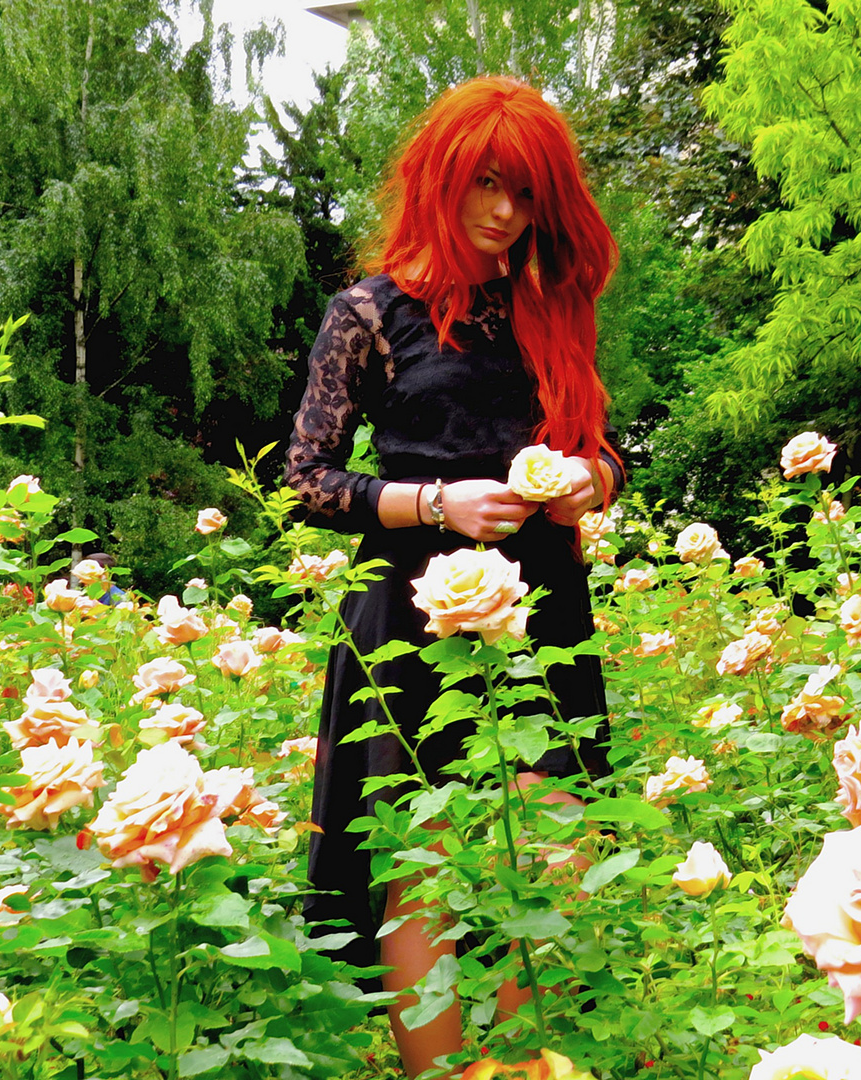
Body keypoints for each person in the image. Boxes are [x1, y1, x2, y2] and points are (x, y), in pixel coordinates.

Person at [284, 76, 622, 1077]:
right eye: (487, 185)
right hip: (408, 615)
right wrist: (438, 504)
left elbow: (611, 454)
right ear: (441, 178)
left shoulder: (553, 306)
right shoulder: (368, 312)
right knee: (419, 867)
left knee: (548, 850)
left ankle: (527, 1068)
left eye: (525, 193)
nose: (506, 213)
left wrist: (583, 483)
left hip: (543, 608)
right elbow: (306, 478)